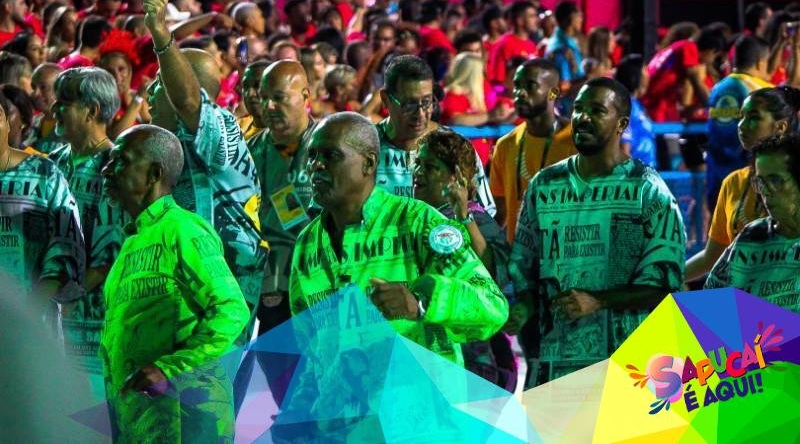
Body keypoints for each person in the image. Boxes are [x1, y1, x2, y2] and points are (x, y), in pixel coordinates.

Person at [506, 77, 686, 387]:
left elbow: (666, 285)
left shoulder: (647, 190)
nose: (582, 117)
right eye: (578, 108)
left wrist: (598, 300)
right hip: (555, 365)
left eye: (597, 110)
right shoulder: (544, 186)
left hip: (626, 369)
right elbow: (525, 267)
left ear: (622, 124)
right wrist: (523, 306)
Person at [289, 111, 507, 363]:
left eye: (331, 155)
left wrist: (420, 304)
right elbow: (309, 349)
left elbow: (493, 306)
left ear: (369, 163)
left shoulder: (419, 223)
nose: (316, 165)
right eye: (312, 155)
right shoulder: (307, 243)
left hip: (420, 388)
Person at [99, 124, 250, 442]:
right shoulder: (132, 241)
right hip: (145, 425)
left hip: (189, 419)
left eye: (120, 161)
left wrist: (170, 368)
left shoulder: (184, 229)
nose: (106, 170)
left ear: (154, 174)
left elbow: (232, 310)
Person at [142, 0, 267, 308]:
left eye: (161, 82)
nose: (150, 92)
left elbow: (187, 101)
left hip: (223, 301)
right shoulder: (173, 141)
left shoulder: (220, 127)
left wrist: (161, 35)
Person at [412, 128, 517, 391]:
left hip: (472, 361)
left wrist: (463, 216)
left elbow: (492, 276)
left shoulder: (476, 217)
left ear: (455, 176)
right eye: (418, 164)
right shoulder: (415, 217)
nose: (418, 172)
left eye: (430, 167)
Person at [246, 60, 319, 411]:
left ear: (306, 95)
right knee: (282, 383)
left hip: (319, 285)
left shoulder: (330, 146)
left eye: (279, 97)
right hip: (271, 285)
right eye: (264, 98)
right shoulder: (250, 151)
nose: (269, 106)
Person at [47, 67, 129, 378]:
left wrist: (64, 297)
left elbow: (111, 254)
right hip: (51, 320)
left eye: (64, 102)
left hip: (93, 326)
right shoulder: (52, 163)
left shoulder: (116, 168)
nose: (54, 109)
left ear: (92, 111)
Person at [687, 86, 800, 282]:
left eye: (754, 117)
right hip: (742, 295)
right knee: (670, 303)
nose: (741, 125)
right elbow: (711, 257)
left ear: (781, 126)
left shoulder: (796, 179)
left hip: (785, 294)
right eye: (741, 117)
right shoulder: (733, 182)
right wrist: (660, 282)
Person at [375, 55, 496, 215]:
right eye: (409, 104)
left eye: (427, 102)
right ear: (385, 99)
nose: (420, 114)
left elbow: (485, 215)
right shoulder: (366, 147)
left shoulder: (456, 148)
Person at [0, 89, 85, 312]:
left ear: (7, 123)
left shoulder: (44, 173)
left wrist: (30, 312)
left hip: (31, 318)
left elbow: (67, 247)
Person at [705, 133, 800, 312]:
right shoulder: (751, 236)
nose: (765, 192)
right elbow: (712, 303)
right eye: (760, 182)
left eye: (775, 180)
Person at [490, 59, 577, 241]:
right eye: (517, 86)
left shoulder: (577, 144)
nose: (520, 93)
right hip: (518, 255)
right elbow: (500, 214)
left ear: (553, 93)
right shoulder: (506, 145)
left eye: (530, 86)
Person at [706, 35, 773, 210]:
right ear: (760, 63)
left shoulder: (717, 89)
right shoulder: (763, 91)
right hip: (749, 182)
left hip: (717, 178)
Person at [614, 54, 656, 168]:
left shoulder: (636, 104)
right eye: (645, 70)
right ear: (634, 74)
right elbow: (624, 148)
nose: (648, 75)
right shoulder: (625, 105)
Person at [487, 0, 538, 86]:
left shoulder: (532, 45)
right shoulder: (503, 45)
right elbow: (497, 82)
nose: (536, 20)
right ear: (520, 21)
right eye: (531, 16)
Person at [545, 0, 585, 88]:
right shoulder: (561, 49)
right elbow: (561, 87)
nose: (581, 20)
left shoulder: (569, 41)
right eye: (579, 16)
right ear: (572, 17)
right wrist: (589, 78)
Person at [236, 59, 271, 140]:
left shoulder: (288, 135)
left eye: (257, 86)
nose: (250, 94)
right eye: (245, 86)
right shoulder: (236, 127)